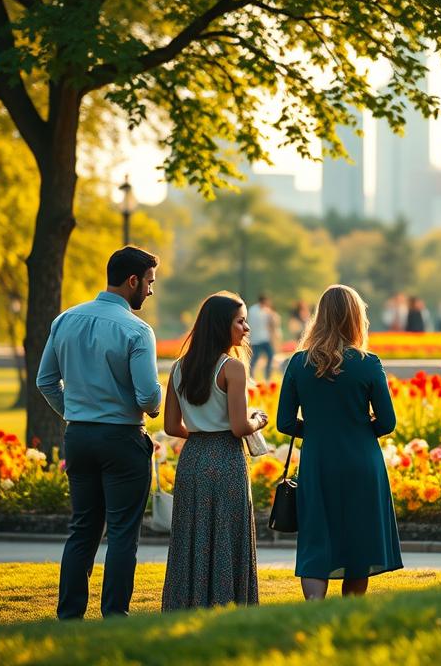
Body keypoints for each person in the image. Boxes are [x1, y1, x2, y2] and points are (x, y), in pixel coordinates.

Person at [36, 246, 162, 620]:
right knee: (123, 532)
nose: (151, 291)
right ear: (133, 280)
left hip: (79, 436)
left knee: (83, 529)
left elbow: (46, 381)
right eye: (150, 283)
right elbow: (147, 395)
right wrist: (153, 407)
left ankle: (70, 614)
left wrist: (74, 412)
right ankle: (114, 615)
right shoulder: (137, 330)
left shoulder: (64, 320)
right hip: (122, 438)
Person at [277, 284, 403, 600]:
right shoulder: (368, 363)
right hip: (361, 461)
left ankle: (315, 609)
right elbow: (387, 422)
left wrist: (322, 430)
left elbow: (284, 423)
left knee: (316, 539)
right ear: (356, 318)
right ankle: (349, 610)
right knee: (358, 541)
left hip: (318, 461)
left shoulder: (298, 363)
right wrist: (356, 429)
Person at [161, 292, 268, 610]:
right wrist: (258, 420)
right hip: (226, 459)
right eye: (241, 321)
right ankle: (226, 602)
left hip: (193, 458)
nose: (247, 328)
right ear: (223, 326)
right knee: (225, 533)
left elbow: (170, 426)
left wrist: (199, 433)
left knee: (191, 535)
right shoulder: (232, 368)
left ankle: (187, 601)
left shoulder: (179, 367)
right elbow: (238, 427)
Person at [247, 294, 279, 381]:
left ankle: (267, 376)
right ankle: (250, 377)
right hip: (256, 340)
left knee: (270, 355)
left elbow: (273, 322)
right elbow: (252, 325)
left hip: (265, 339)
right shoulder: (253, 310)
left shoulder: (266, 310)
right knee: (254, 358)